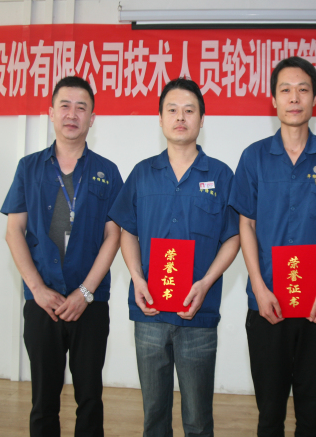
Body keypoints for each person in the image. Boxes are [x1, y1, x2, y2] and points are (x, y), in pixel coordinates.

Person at [229, 56, 316, 437]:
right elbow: (246, 224)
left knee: (311, 415)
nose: (294, 98)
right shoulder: (254, 157)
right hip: (267, 302)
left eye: (303, 89)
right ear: (273, 100)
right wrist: (258, 286)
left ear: (314, 98)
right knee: (269, 414)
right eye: (285, 90)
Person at [108, 78, 240, 437]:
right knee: (154, 415)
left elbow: (233, 237)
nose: (180, 117)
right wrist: (136, 278)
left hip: (199, 313)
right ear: (160, 118)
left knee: (198, 419)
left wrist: (206, 282)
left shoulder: (221, 175)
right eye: (172, 110)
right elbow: (127, 230)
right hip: (150, 311)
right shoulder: (142, 174)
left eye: (189, 110)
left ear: (202, 119)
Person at [1, 76, 122, 437]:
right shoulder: (29, 168)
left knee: (90, 399)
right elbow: (13, 231)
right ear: (51, 113)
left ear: (92, 118)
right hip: (43, 303)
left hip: (90, 303)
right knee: (43, 401)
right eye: (64, 106)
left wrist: (85, 292)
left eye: (81, 108)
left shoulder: (107, 172)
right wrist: (37, 289)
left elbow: (113, 236)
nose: (72, 114)